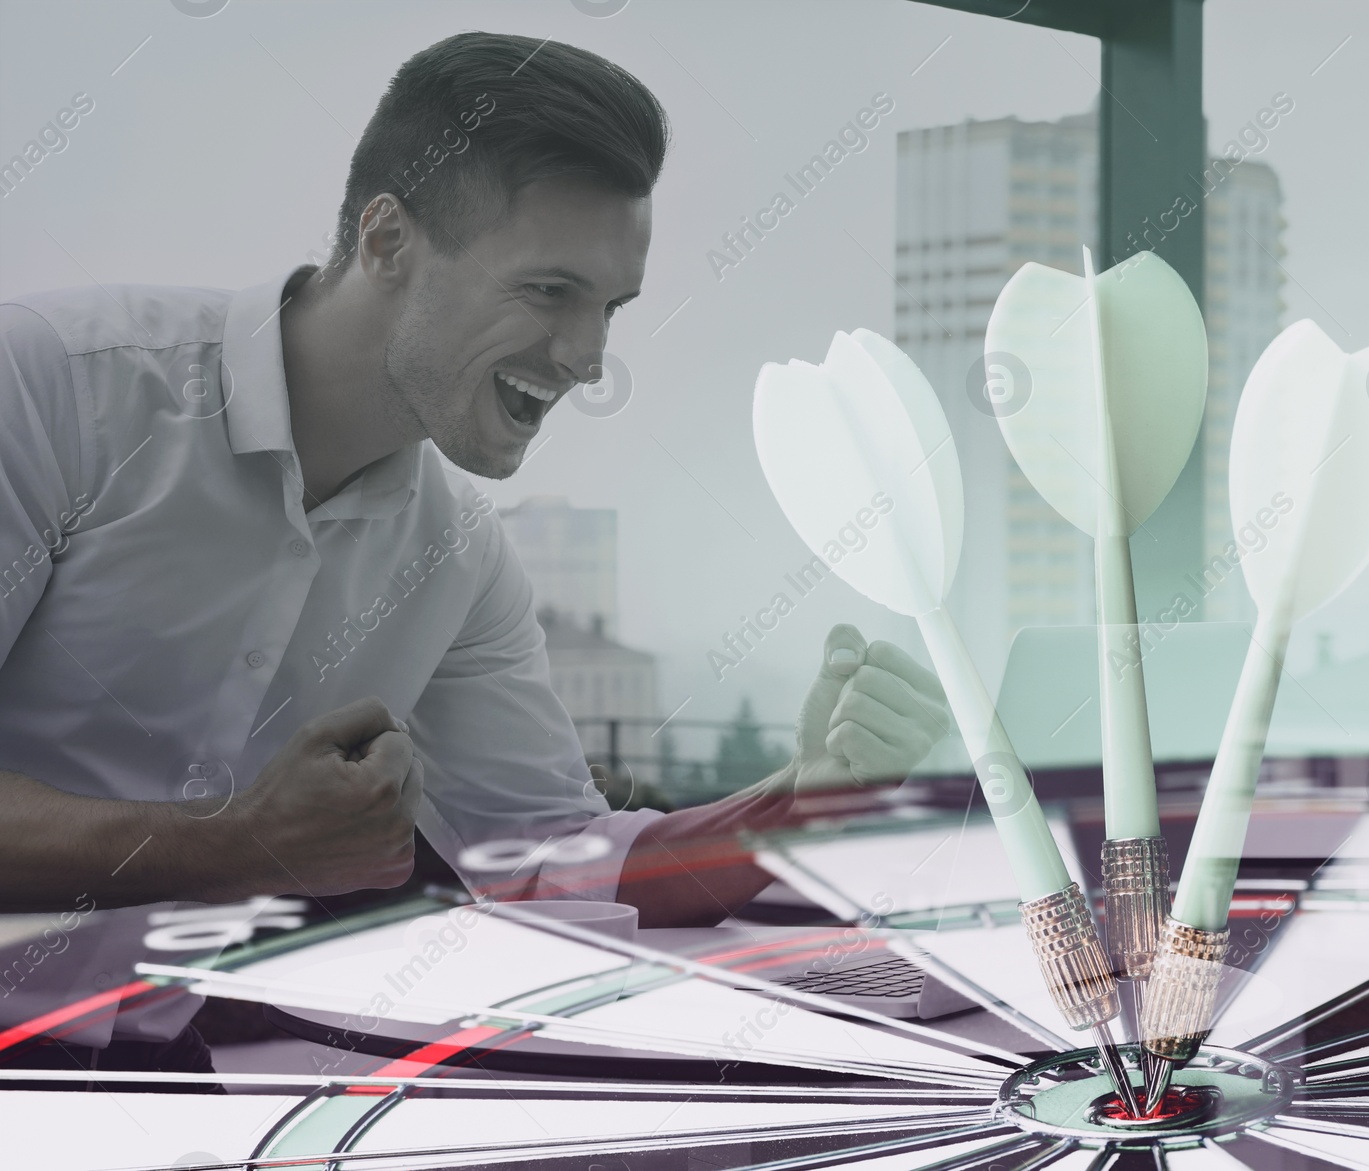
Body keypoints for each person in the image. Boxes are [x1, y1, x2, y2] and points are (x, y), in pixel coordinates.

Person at [0, 32, 949, 1077]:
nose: (587, 359)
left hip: (153, 1069)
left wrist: (795, 796)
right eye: (548, 291)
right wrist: (238, 844)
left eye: (608, 308)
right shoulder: (51, 392)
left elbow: (557, 869)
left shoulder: (457, 558)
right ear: (389, 241)